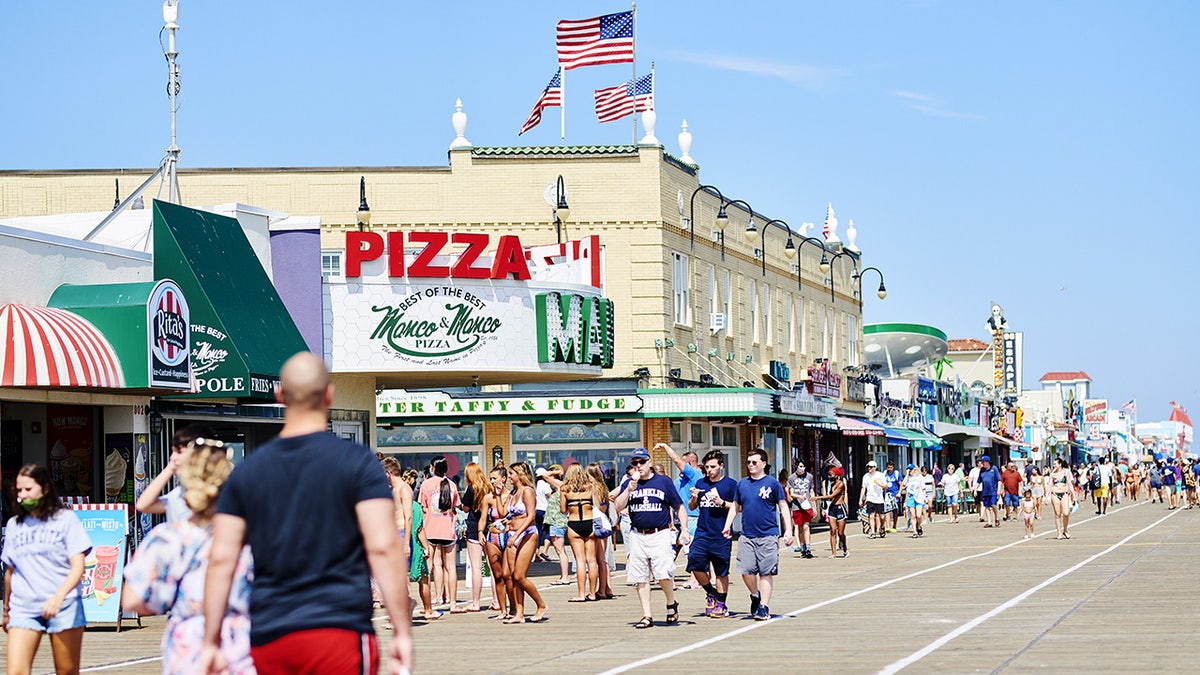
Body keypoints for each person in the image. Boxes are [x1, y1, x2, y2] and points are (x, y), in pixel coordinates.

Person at [200, 353, 413, 675]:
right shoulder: (358, 463)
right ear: (329, 394)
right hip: (340, 628)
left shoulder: (248, 472)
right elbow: (382, 546)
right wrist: (402, 631)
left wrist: (211, 640)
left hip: (271, 633)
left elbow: (221, 559)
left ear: (279, 396)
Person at [124, 438, 255, 675]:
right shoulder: (251, 535)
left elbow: (134, 600)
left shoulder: (167, 538)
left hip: (189, 643)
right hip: (242, 641)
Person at [3, 464, 92, 675]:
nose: (23, 495)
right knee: (16, 671)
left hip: (64, 605)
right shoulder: (15, 524)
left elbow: (78, 565)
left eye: (28, 489)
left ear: (44, 489)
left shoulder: (65, 520)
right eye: (19, 490)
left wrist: (58, 597)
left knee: (66, 670)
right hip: (24, 607)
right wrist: (7, 610)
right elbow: (10, 571)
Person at [613, 447, 689, 629]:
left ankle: (671, 603)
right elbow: (617, 506)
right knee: (640, 576)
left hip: (660, 532)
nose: (638, 466)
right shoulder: (629, 483)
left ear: (649, 463)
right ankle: (647, 615)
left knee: (663, 573)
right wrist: (628, 490)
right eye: (635, 463)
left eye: (642, 462)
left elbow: (679, 506)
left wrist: (684, 529)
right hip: (638, 534)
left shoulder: (663, 482)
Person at [724, 448, 793, 621]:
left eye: (754, 462)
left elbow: (783, 506)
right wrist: (727, 525)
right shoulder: (742, 484)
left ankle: (764, 606)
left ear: (763, 463)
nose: (751, 465)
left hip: (768, 535)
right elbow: (735, 506)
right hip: (747, 535)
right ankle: (755, 595)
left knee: (765, 572)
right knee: (745, 570)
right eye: (748, 462)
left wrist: (789, 530)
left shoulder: (772, 483)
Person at [687, 450, 738, 618]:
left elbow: (739, 507)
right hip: (702, 532)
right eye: (707, 467)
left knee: (721, 570)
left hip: (721, 534)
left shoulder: (730, 485)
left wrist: (722, 502)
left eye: (713, 467)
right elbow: (692, 507)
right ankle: (711, 592)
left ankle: (721, 604)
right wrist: (694, 497)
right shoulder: (701, 482)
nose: (709, 470)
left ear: (721, 466)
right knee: (694, 563)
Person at [135, 423, 216, 523]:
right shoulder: (178, 494)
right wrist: (170, 468)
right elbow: (143, 505)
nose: (172, 457)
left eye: (180, 452)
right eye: (173, 452)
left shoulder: (220, 491)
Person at [503, 462, 547, 624]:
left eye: (511, 473)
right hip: (512, 532)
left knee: (519, 576)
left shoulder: (528, 491)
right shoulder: (514, 493)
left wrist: (516, 536)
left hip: (527, 534)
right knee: (513, 576)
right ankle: (519, 613)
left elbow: (530, 516)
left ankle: (541, 605)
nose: (509, 477)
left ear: (520, 474)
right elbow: (511, 516)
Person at [418, 455, 461, 612]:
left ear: (433, 468)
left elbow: (423, 508)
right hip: (448, 531)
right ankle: (453, 602)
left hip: (430, 530)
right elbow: (456, 507)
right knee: (450, 567)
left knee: (429, 567)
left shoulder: (426, 485)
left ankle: (432, 601)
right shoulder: (452, 485)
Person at [661, 443, 702, 588]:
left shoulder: (695, 474)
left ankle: (695, 580)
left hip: (694, 518)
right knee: (678, 547)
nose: (680, 467)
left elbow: (677, 461)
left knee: (692, 550)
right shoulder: (679, 481)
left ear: (690, 463)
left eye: (684, 464)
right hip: (681, 518)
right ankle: (668, 575)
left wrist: (666, 448)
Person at [559, 463, 600, 602]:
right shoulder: (590, 487)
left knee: (580, 561)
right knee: (592, 561)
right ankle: (593, 593)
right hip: (590, 523)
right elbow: (597, 505)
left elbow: (563, 510)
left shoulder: (564, 489)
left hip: (574, 523)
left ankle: (581, 594)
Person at [402, 469, 439, 622]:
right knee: (424, 579)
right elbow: (419, 529)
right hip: (415, 545)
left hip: (400, 543)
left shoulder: (397, 506)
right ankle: (428, 609)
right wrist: (426, 547)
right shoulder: (416, 506)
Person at [481, 466, 513, 620]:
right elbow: (483, 519)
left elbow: (504, 514)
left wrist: (500, 496)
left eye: (494, 478)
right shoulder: (488, 498)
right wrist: (480, 532)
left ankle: (514, 608)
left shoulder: (512, 496)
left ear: (504, 478)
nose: (492, 481)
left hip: (507, 536)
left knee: (508, 575)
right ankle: (502, 610)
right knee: (497, 575)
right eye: (491, 478)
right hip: (492, 537)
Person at [459, 462, 490, 612]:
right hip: (489, 528)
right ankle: (497, 601)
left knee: (476, 567)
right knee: (492, 566)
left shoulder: (472, 489)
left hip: (474, 528)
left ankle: (476, 602)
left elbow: (465, 509)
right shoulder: (489, 487)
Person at [586, 463, 615, 599]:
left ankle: (601, 590)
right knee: (602, 558)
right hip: (604, 520)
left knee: (598, 559)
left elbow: (597, 506)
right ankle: (605, 588)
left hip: (596, 521)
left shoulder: (592, 488)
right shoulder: (603, 486)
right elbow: (604, 506)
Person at [540, 465, 572, 586]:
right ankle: (563, 576)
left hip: (557, 521)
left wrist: (558, 470)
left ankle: (565, 577)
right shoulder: (559, 487)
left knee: (560, 550)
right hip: (555, 522)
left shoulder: (560, 485)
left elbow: (544, 475)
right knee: (560, 550)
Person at [814, 466, 849, 557]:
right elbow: (829, 497)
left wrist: (817, 498)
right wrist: (823, 507)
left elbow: (831, 496)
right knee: (832, 531)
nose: (830, 477)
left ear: (837, 475)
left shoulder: (841, 484)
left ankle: (845, 548)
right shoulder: (831, 484)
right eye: (829, 475)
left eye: (831, 475)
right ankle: (833, 553)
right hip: (832, 508)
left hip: (840, 508)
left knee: (840, 533)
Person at [786, 459, 817, 556]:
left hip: (807, 505)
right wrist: (799, 497)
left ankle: (808, 548)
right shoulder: (792, 478)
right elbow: (791, 493)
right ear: (796, 466)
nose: (801, 468)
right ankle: (802, 547)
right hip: (797, 506)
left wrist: (814, 506)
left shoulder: (809, 477)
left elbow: (811, 491)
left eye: (803, 466)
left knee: (806, 526)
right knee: (799, 528)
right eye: (800, 466)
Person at [858, 461, 887, 538]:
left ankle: (882, 527)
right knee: (871, 515)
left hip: (879, 499)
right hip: (870, 498)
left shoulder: (880, 475)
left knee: (882, 517)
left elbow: (886, 487)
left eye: (870, 467)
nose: (869, 468)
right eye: (868, 467)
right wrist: (861, 499)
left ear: (875, 467)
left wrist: (879, 484)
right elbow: (863, 488)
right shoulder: (866, 476)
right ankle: (873, 532)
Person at [1049, 457, 1075, 540]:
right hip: (1055, 493)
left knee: (1066, 513)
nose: (1054, 466)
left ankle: (1065, 530)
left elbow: (1070, 484)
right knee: (1057, 514)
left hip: (1064, 493)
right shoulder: (1052, 474)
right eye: (1053, 464)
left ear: (1060, 464)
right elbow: (1049, 485)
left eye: (1055, 464)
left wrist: (1073, 495)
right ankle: (1059, 533)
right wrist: (1046, 497)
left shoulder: (1066, 472)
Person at [902, 465, 927, 538]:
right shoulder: (908, 478)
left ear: (915, 469)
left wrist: (924, 497)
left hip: (919, 497)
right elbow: (903, 484)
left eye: (911, 469)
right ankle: (915, 531)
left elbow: (923, 488)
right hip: (911, 497)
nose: (910, 471)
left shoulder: (919, 477)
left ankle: (918, 526)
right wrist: (907, 474)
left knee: (918, 515)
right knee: (912, 515)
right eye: (908, 469)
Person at [978, 456, 1002, 528]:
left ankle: (997, 517)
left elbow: (999, 480)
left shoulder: (994, 468)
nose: (982, 463)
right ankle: (989, 522)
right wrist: (975, 489)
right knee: (987, 506)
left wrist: (999, 489)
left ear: (987, 462)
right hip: (985, 491)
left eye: (983, 462)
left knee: (993, 504)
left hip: (993, 490)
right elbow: (979, 481)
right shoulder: (982, 470)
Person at [883, 461, 903, 533]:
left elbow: (901, 484)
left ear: (893, 467)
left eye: (891, 467)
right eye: (888, 467)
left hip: (895, 494)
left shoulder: (896, 474)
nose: (890, 469)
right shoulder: (884, 474)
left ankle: (894, 525)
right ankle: (888, 527)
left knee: (894, 511)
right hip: (887, 494)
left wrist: (899, 493)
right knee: (887, 511)